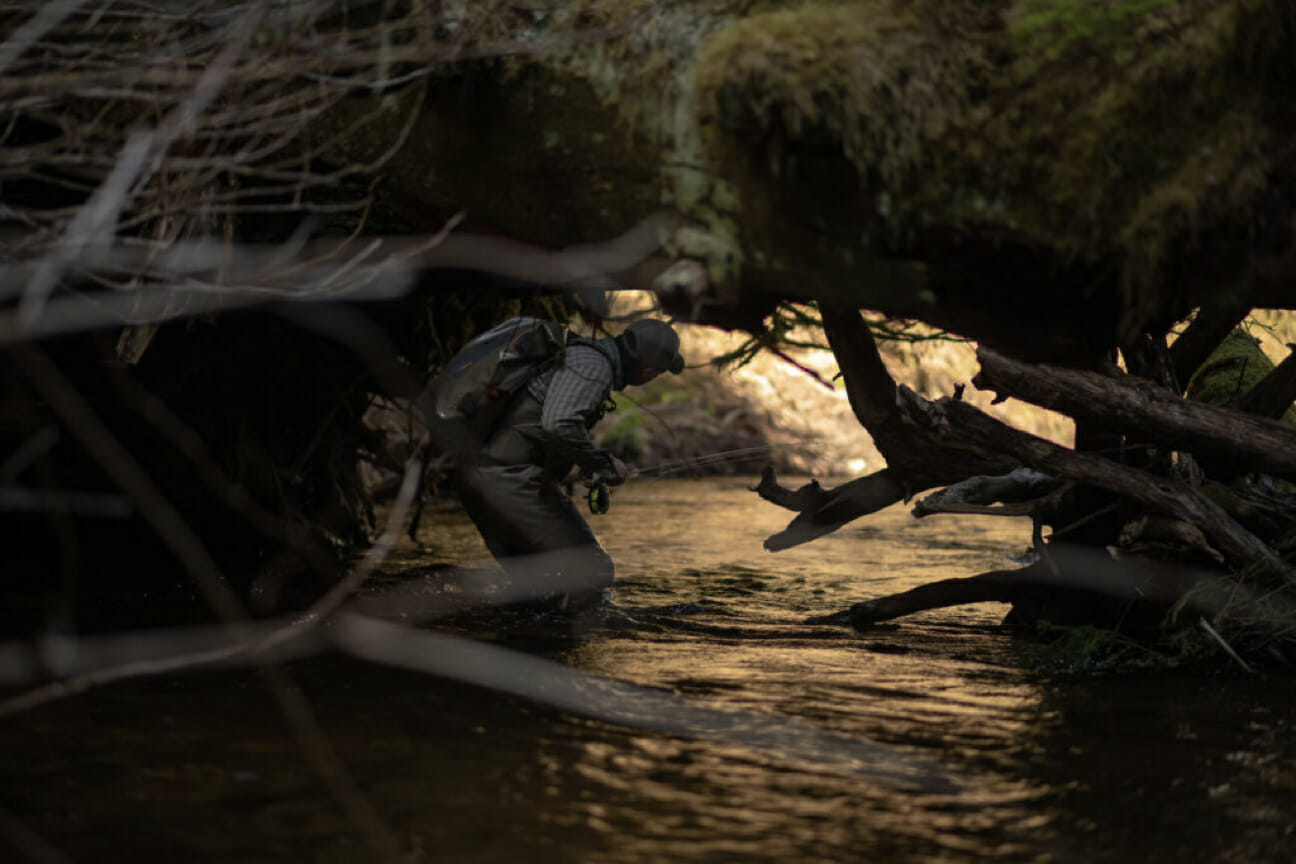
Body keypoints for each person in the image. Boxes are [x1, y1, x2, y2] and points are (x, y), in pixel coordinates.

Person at [455, 318, 685, 610]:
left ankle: (527, 644)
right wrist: (603, 463)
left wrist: (586, 466)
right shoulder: (592, 366)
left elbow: (541, 426)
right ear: (649, 371)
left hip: (482, 476)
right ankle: (560, 645)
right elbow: (559, 424)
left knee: (536, 585)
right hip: (507, 480)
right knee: (591, 569)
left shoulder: (580, 355)